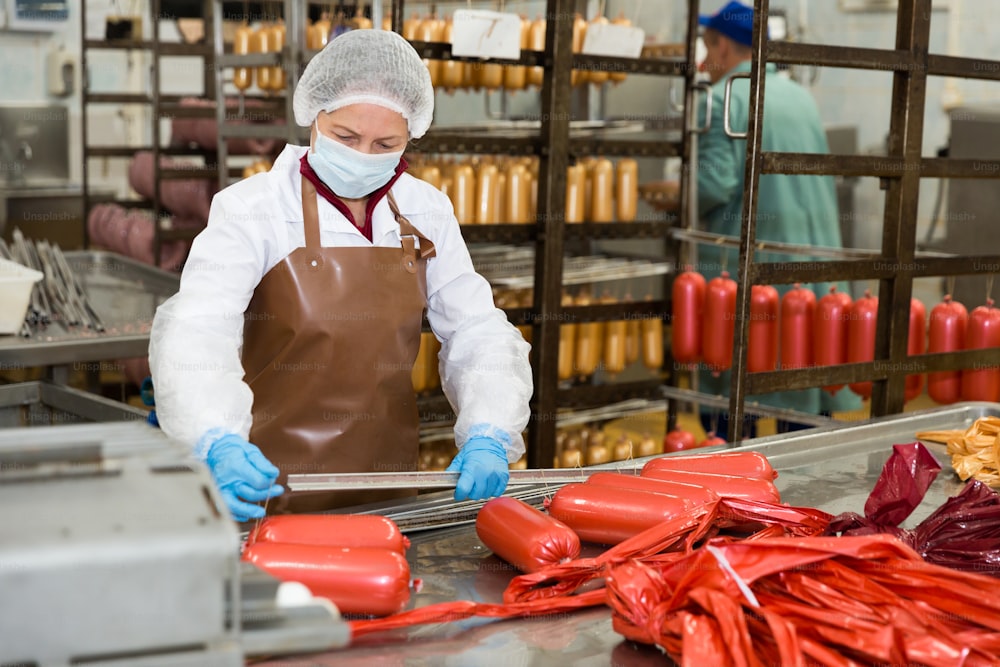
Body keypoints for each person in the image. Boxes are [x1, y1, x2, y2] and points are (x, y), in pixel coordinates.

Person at [149, 29, 532, 521]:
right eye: (346, 137)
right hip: (264, 485)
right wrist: (214, 439)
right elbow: (198, 329)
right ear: (313, 117)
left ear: (410, 136)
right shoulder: (255, 208)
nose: (363, 156)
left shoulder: (424, 210)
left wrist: (489, 429)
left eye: (385, 143)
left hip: (388, 488)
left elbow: (476, 327)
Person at [691, 1, 861, 437]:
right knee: (801, 370)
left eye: (707, 47)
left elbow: (712, 185)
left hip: (751, 265)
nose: (706, 60)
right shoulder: (799, 96)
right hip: (808, 261)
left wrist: (667, 193)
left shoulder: (725, 97)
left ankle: (730, 477)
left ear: (723, 46)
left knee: (738, 383)